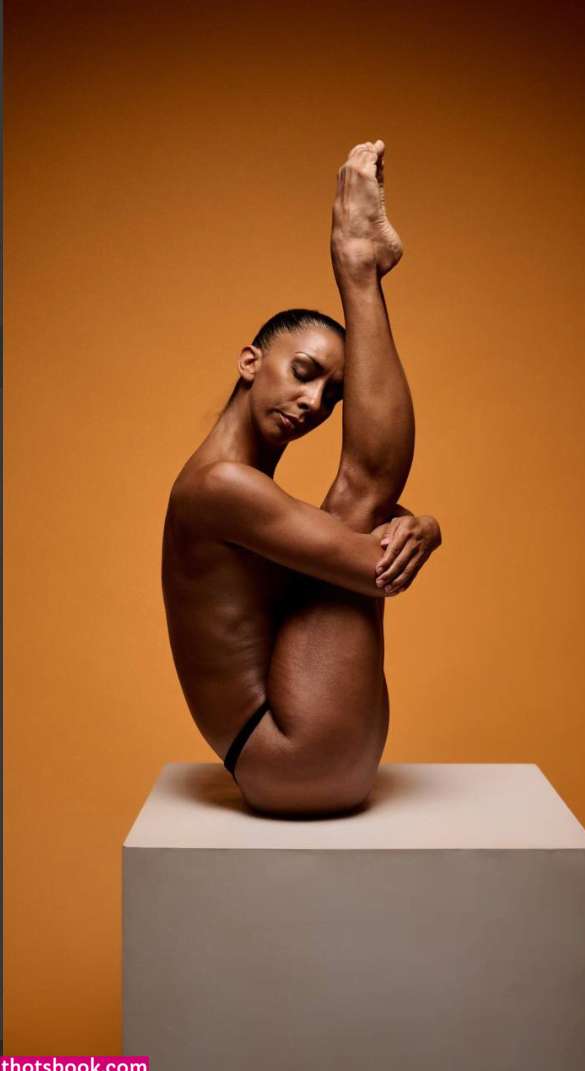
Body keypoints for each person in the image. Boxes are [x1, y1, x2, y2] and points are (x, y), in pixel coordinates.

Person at [161, 140, 442, 817]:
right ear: (250, 361)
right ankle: (356, 264)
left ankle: (360, 264)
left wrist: (421, 527)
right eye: (304, 372)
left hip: (309, 749)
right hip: (289, 756)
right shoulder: (219, 487)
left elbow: (352, 553)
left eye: (333, 395)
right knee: (358, 494)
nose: (313, 403)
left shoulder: (239, 489)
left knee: (357, 506)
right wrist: (414, 528)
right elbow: (375, 561)